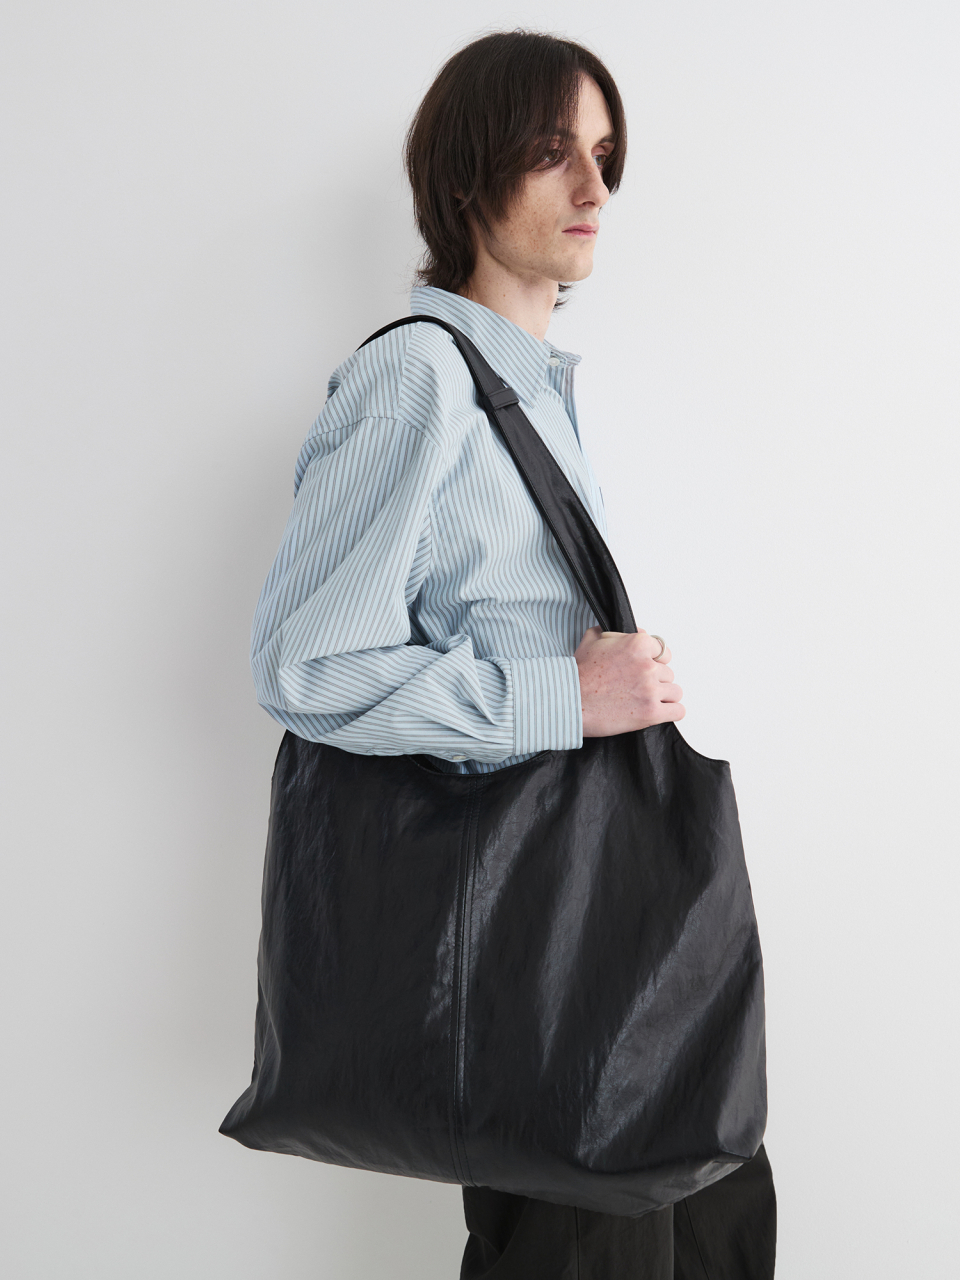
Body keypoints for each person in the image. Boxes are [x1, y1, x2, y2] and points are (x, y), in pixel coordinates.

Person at [250, 29, 776, 1280]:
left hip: (610, 932)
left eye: (605, 154)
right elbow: (305, 664)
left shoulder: (535, 391)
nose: (595, 187)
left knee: (709, 1217)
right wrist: (565, 694)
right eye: (553, 152)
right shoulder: (420, 381)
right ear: (466, 176)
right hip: (542, 950)